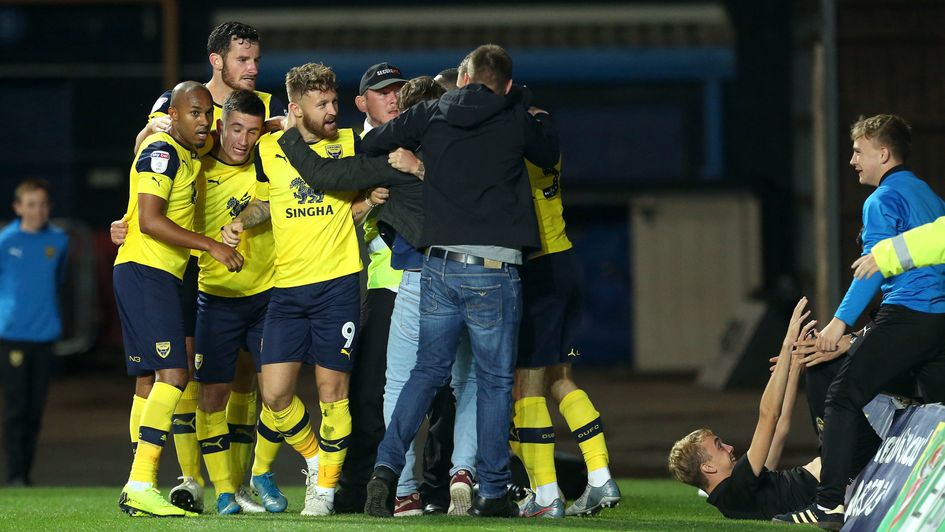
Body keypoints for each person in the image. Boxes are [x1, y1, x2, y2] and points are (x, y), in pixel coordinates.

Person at [360, 44, 559, 518]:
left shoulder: (431, 111)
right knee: (490, 382)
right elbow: (548, 151)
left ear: (465, 78)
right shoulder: (513, 117)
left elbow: (371, 143)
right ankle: (490, 490)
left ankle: (386, 470)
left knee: (425, 373)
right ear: (507, 86)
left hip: (439, 264)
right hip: (494, 269)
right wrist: (516, 99)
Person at [119, 21, 285, 513]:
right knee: (167, 375)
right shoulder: (176, 105)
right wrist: (131, 215)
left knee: (239, 377)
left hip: (241, 265)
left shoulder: (267, 108)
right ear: (216, 60)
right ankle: (179, 478)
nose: (252, 68)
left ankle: (235, 481)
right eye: (242, 59)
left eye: (255, 59)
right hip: (183, 259)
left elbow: (280, 156)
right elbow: (145, 151)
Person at [774, 114, 945, 529]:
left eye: (858, 151)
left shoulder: (880, 200)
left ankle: (830, 501)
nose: (852, 160)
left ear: (883, 154)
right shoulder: (928, 195)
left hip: (908, 314)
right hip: (939, 323)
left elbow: (874, 271)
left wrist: (838, 325)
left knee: (841, 395)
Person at [221, 62, 372, 517]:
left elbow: (373, 192)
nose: (331, 111)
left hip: (337, 284)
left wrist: (365, 206)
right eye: (321, 104)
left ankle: (324, 490)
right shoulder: (269, 147)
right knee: (275, 395)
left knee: (332, 392)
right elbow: (266, 201)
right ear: (295, 109)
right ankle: (315, 458)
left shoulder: (350, 143)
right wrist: (240, 221)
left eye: (333, 102)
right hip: (286, 289)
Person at [114, 81, 243, 518]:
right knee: (174, 374)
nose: (204, 121)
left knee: (151, 381)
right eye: (194, 113)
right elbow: (150, 221)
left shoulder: (186, 154)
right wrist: (211, 245)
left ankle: (139, 482)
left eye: (208, 113)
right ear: (173, 114)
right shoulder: (164, 151)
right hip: (148, 271)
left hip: (150, 273)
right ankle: (140, 482)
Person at [510, 153, 621, 517]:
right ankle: (600, 475)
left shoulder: (512, 135)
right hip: (565, 261)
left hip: (535, 266)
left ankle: (545, 494)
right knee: (560, 378)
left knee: (525, 384)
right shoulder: (544, 127)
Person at [332, 62, 408, 514]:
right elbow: (321, 216)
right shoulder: (346, 147)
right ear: (361, 103)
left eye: (397, 90)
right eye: (382, 92)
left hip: (409, 281)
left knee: (438, 390)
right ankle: (356, 482)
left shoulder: (415, 140)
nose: (393, 97)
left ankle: (427, 484)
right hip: (359, 285)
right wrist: (362, 204)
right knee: (361, 391)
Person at [669, 299, 821, 520]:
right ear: (708, 467)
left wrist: (795, 366)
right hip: (836, 481)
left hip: (829, 477)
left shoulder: (741, 493)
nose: (730, 448)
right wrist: (788, 344)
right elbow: (769, 415)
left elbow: (779, 430)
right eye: (719, 447)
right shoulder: (733, 492)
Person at [0, 179, 69, 487]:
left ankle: (25, 474)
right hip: (13, 334)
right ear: (18, 208)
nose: (37, 211)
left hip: (46, 335)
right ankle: (15, 474)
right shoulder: (5, 240)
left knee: (36, 410)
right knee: (16, 407)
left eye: (42, 204)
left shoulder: (59, 240)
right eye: (31, 204)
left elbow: (61, 280)